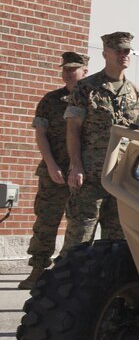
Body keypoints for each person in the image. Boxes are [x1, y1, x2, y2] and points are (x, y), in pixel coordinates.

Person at [63, 32, 139, 250]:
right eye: (118, 50)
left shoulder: (135, 93)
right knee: (79, 238)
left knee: (117, 241)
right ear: (105, 53)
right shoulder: (86, 88)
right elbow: (72, 130)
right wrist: (76, 165)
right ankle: (73, 282)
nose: (124, 55)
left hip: (122, 177)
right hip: (91, 175)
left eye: (127, 51)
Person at [20, 51, 89, 289]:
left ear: (85, 72)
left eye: (73, 69)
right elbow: (41, 134)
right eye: (64, 69)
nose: (67, 73)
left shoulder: (94, 100)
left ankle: (70, 272)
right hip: (54, 172)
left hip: (84, 173)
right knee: (46, 221)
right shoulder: (50, 100)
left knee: (79, 224)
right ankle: (38, 269)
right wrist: (50, 165)